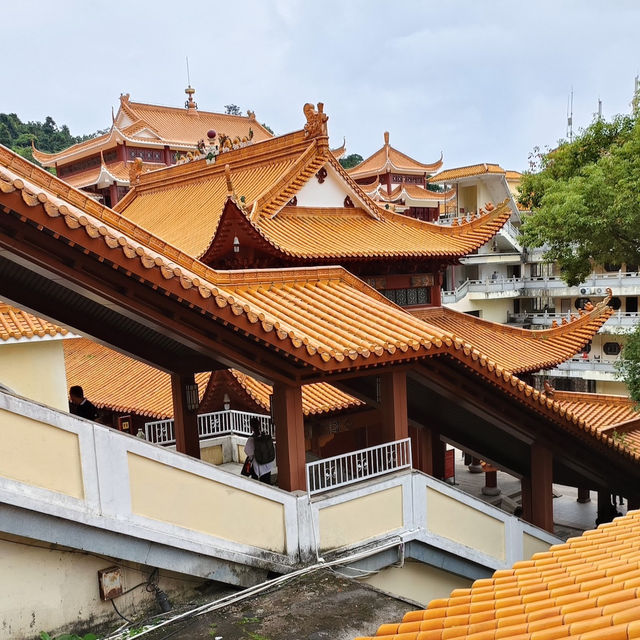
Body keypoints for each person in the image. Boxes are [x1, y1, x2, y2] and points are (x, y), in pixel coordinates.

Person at [243, 417, 274, 484]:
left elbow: (247, 451)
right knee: (267, 483)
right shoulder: (265, 436)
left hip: (258, 466)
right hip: (268, 464)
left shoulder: (251, 439)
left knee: (257, 483)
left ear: (251, 427)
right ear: (259, 425)